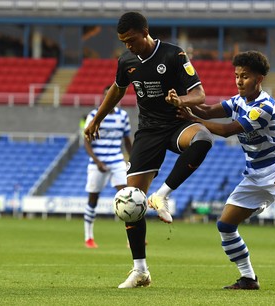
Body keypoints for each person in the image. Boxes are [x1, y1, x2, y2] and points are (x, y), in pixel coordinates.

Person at [177, 51, 275, 293]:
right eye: (237, 75)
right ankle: (248, 278)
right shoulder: (237, 101)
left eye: (245, 76)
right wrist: (184, 102)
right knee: (225, 225)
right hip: (254, 174)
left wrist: (190, 118)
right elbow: (206, 111)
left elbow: (228, 130)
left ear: (259, 79)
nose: (238, 81)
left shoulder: (265, 106)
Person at [84, 12, 213, 288]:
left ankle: (162, 195)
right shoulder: (126, 61)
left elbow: (200, 94)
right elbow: (117, 91)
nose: (128, 46)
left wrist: (181, 99)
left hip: (176, 123)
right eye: (123, 42)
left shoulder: (174, 55)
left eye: (131, 40)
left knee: (203, 138)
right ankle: (140, 270)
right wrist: (97, 119)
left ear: (145, 32)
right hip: (148, 131)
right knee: (130, 198)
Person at [83, 85, 133, 248]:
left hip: (116, 160)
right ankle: (88, 237)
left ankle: (131, 238)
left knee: (126, 198)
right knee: (93, 199)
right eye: (107, 96)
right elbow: (87, 141)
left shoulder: (123, 116)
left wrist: (134, 160)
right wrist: (97, 162)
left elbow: (127, 141)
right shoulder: (94, 115)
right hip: (98, 163)